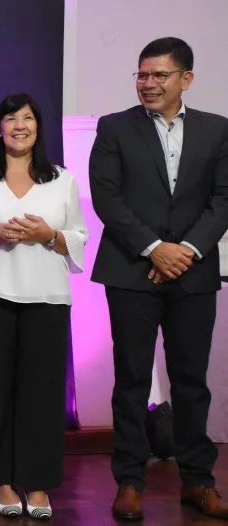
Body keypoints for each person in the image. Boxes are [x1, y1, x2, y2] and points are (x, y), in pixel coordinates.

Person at [89, 36, 228, 521]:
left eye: (159, 75)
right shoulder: (114, 127)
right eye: (142, 74)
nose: (147, 83)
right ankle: (130, 481)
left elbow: (223, 200)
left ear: (185, 79)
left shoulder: (217, 130)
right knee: (131, 379)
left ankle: (198, 481)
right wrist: (155, 248)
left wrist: (185, 251)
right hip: (132, 270)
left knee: (191, 381)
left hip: (193, 271)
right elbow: (107, 197)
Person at [0, 93, 88, 520]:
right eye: (11, 118)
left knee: (42, 395)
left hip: (47, 298)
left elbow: (77, 239)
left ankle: (38, 484)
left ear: (38, 127)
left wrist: (47, 235)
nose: (19, 125)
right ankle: (2, 482)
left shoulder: (62, 179)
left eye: (28, 118)